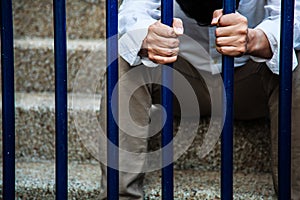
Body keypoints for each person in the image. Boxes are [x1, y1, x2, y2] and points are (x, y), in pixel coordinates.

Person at [99, 0, 300, 199]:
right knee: (125, 57)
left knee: (295, 64)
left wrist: (256, 39)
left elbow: (293, 15)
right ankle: (119, 195)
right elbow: (132, 11)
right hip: (180, 83)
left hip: (250, 80)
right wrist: (146, 38)